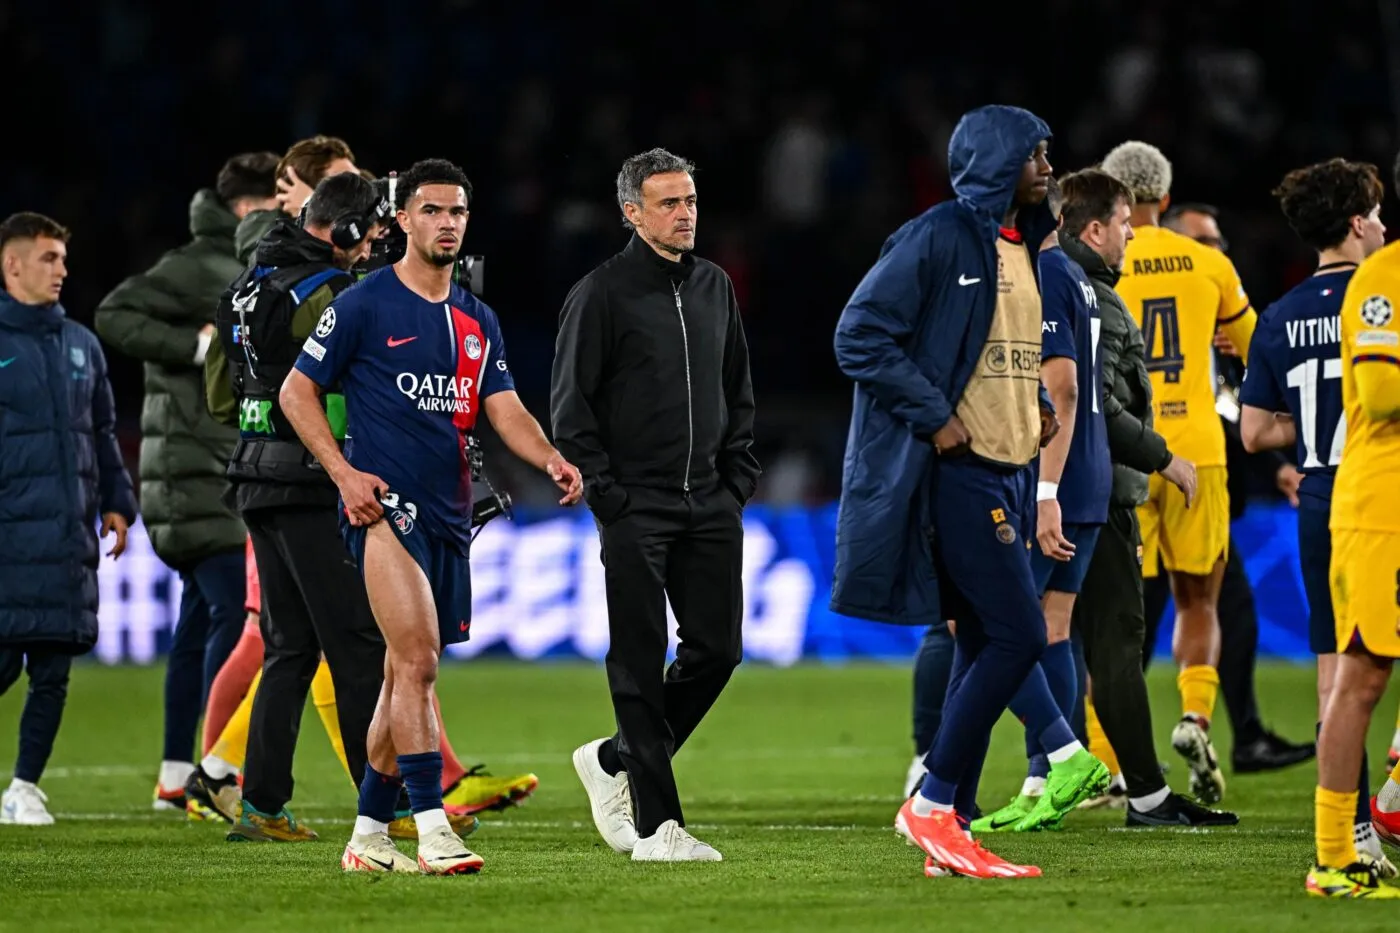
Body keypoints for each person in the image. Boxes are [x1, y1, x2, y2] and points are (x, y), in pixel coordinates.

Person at [282, 158, 582, 874]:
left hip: (452, 515)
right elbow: (298, 393)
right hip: (383, 509)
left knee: (399, 676)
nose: (447, 223)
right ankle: (432, 823)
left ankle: (366, 834)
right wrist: (345, 473)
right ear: (404, 220)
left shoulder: (477, 319)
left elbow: (500, 408)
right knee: (417, 663)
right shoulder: (362, 304)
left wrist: (550, 458)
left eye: (457, 213)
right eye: (433, 211)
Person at [833, 105, 1104, 880]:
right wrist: (936, 414)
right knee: (1018, 632)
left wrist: (1036, 410)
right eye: (1036, 153)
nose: (1048, 166)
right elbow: (858, 334)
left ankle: (947, 824)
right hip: (958, 473)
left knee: (984, 641)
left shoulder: (1022, 248)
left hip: (1011, 469)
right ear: (996, 157)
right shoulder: (939, 234)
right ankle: (932, 801)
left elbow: (1004, 354)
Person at [552, 148, 760, 863]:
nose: (686, 214)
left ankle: (613, 757)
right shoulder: (600, 294)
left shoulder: (714, 288)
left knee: (719, 649)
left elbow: (739, 393)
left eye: (692, 200)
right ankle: (657, 828)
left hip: (709, 501)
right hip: (635, 504)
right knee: (637, 662)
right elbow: (571, 410)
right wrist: (611, 495)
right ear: (632, 213)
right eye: (669, 203)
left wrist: (735, 479)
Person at [195, 171, 393, 842]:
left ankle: (263, 806)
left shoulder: (245, 287)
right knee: (359, 644)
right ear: (341, 230)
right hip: (313, 483)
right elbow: (358, 382)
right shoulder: (331, 292)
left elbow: (222, 398)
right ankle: (385, 805)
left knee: (289, 647)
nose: (369, 247)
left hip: (254, 476)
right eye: (366, 234)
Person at [1049, 172, 1237, 828]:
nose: (1134, 235)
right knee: (1110, 639)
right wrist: (1163, 456)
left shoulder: (1079, 286)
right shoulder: (1084, 295)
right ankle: (957, 783)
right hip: (1090, 492)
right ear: (1096, 229)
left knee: (1070, 639)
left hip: (1079, 489)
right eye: (1126, 224)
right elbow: (1094, 404)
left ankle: (1127, 787)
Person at [94, 152, 279, 812]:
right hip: (194, 470)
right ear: (245, 209)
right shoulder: (195, 262)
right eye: (274, 204)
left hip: (217, 466)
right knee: (237, 618)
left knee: (202, 623)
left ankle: (178, 774)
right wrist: (196, 348)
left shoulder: (244, 265)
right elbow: (113, 314)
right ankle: (211, 773)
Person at [1238, 158, 1392, 873]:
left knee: (1340, 669)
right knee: (1361, 672)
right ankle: (1361, 823)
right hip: (1376, 490)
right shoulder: (1380, 293)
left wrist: (1312, 425)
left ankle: (1356, 826)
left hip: (1323, 492)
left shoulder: (1281, 315)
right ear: (1359, 222)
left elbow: (1254, 433)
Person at [1101, 140, 1258, 804]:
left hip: (1125, 449)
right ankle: (1194, 716)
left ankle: (1105, 759)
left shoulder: (1101, 262)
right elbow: (1256, 352)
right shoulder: (1210, 262)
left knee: (1112, 614)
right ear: (1165, 199)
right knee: (1200, 600)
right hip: (1198, 448)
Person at [1143, 202, 1314, 775]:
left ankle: (1240, 734)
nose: (1216, 250)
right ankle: (1113, 749)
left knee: (1226, 613)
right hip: (1187, 476)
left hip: (1183, 480)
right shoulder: (1209, 321)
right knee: (1181, 613)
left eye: (1219, 240)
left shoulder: (1213, 330)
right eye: (1204, 240)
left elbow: (1236, 407)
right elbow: (1230, 409)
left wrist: (1278, 467)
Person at [970, 175, 1115, 833]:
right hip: (1085, 477)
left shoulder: (1047, 273)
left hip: (1052, 482)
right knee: (1051, 628)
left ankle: (1060, 758)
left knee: (987, 626)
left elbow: (1059, 380)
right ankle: (1043, 778)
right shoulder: (1077, 277)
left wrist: (1047, 493)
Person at [0, 212, 137, 825]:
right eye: (49, 258)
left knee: (54, 667)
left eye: (63, 258)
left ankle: (24, 787)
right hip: (9, 533)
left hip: (65, 534)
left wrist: (116, 502)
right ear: (13, 264)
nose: (62, 269)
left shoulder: (82, 345)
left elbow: (103, 434)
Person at [1303, 154, 1400, 899]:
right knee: (1362, 677)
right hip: (1382, 512)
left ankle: (1390, 800)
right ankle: (1335, 854)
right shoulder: (1382, 277)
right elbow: (1378, 386)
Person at [235, 136, 359, 265]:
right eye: (345, 184)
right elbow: (274, 269)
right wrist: (311, 210)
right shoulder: (264, 229)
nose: (363, 190)